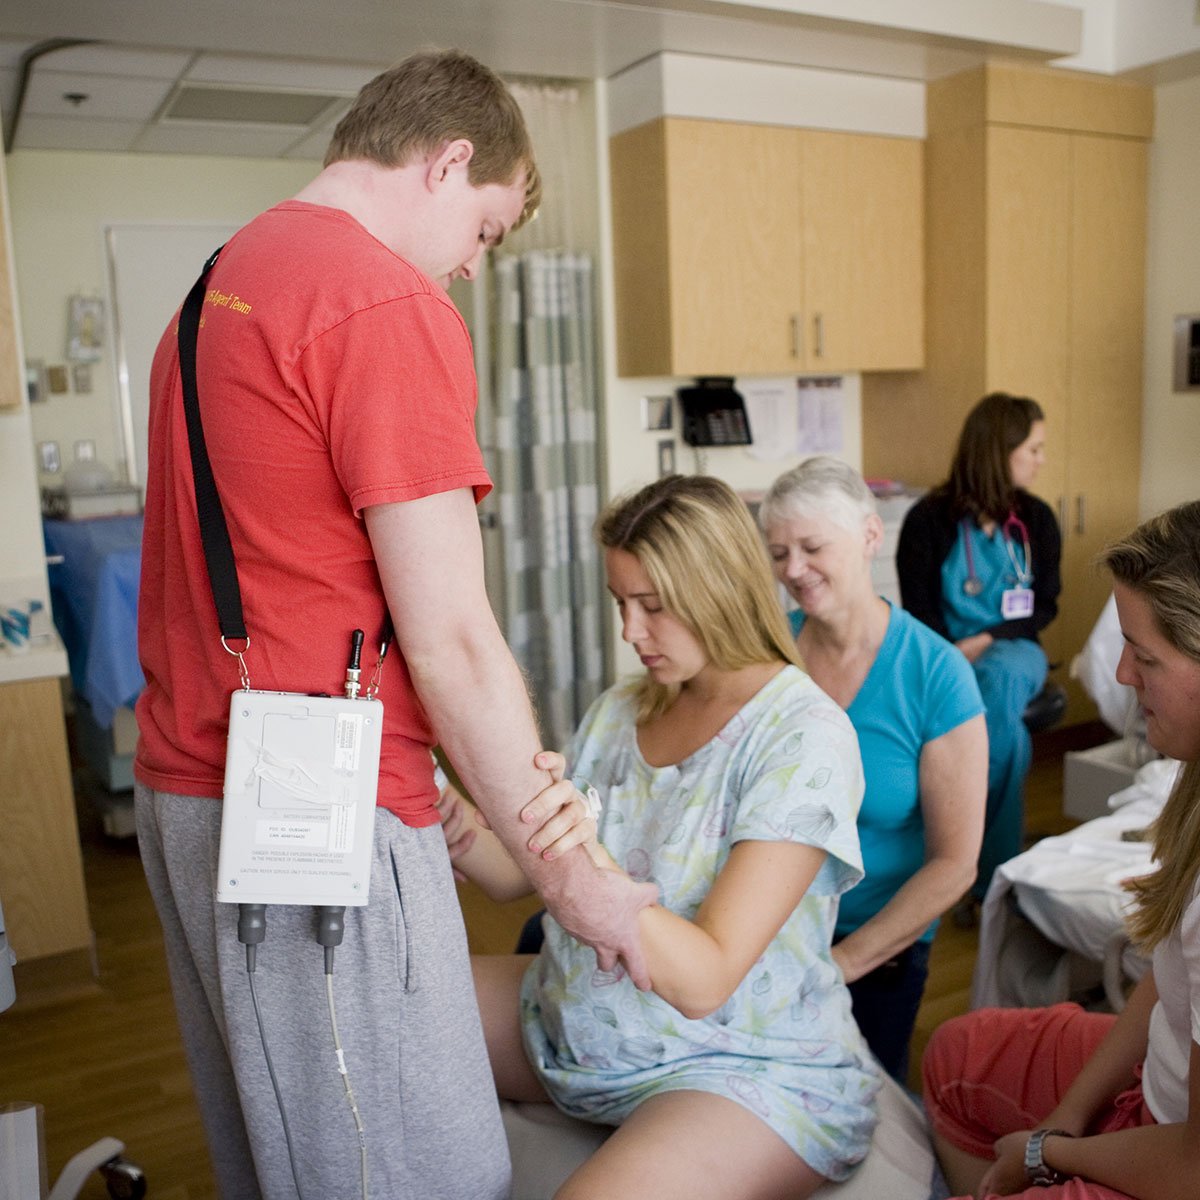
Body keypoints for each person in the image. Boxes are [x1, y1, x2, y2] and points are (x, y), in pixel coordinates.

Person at [133, 50, 654, 1200]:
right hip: (310, 814)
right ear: (449, 160)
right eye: (486, 229)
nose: (471, 269)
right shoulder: (378, 299)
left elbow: (275, 580)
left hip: (190, 787)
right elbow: (453, 635)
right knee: (408, 1167)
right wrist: (571, 878)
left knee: (282, 1146)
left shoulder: (212, 289)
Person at [440, 474, 881, 1200]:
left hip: (731, 1062)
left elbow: (705, 979)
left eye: (652, 606)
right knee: (388, 1006)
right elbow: (520, 873)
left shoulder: (803, 740)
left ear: (718, 590)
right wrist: (447, 818)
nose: (629, 633)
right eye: (620, 604)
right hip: (579, 1022)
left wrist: (594, 866)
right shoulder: (623, 709)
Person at [922, 499, 1200, 1200]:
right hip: (1159, 1099)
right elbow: (1170, 980)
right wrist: (1067, 1117)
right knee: (955, 1052)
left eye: (1144, 658)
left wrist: (1051, 1157)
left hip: (1180, 1158)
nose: (1122, 678)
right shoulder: (1191, 789)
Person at [759, 456, 988, 1082]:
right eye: (779, 553)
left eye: (811, 547)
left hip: (871, 949)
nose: (793, 571)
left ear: (869, 535)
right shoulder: (766, 653)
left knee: (863, 1117)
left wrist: (839, 965)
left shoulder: (937, 675)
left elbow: (954, 864)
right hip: (761, 929)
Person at [896, 392, 1062, 905]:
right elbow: (918, 612)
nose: (1041, 460)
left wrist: (985, 639)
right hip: (943, 656)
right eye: (1032, 449)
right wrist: (953, 651)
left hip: (1014, 651)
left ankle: (954, 862)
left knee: (999, 678)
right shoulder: (928, 520)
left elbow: (1045, 606)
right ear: (1000, 450)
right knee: (1008, 738)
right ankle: (991, 875)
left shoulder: (1036, 519)